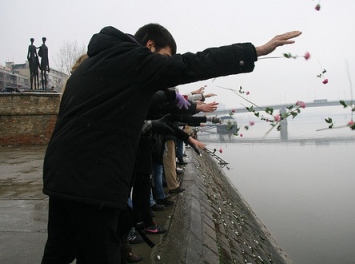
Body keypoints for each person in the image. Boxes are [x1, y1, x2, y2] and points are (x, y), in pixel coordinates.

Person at [41, 23, 301, 263]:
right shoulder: (135, 60)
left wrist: (193, 105)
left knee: (58, 250)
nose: (162, 70)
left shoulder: (97, 64)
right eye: (163, 59)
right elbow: (189, 64)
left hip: (60, 175)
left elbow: (149, 104)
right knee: (101, 254)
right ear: (150, 46)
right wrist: (254, 51)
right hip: (94, 180)